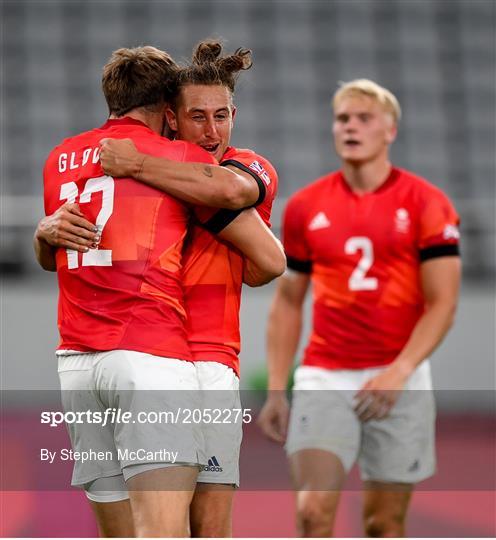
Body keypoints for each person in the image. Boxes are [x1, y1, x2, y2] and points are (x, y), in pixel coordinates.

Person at [35, 41, 284, 537]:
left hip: (203, 360)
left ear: (235, 115)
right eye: (197, 116)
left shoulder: (234, 166)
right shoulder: (173, 160)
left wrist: (136, 166)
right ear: (170, 116)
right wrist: (45, 235)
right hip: (155, 353)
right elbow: (266, 263)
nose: (211, 131)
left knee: (204, 528)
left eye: (222, 116)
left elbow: (265, 259)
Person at [258, 79, 461, 537]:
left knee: (382, 524)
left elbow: (443, 303)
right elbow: (288, 301)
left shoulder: (428, 203)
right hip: (324, 375)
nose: (350, 126)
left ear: (390, 130)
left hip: (398, 376)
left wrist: (399, 370)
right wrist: (276, 387)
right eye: (343, 118)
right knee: (312, 513)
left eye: (363, 118)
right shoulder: (307, 206)